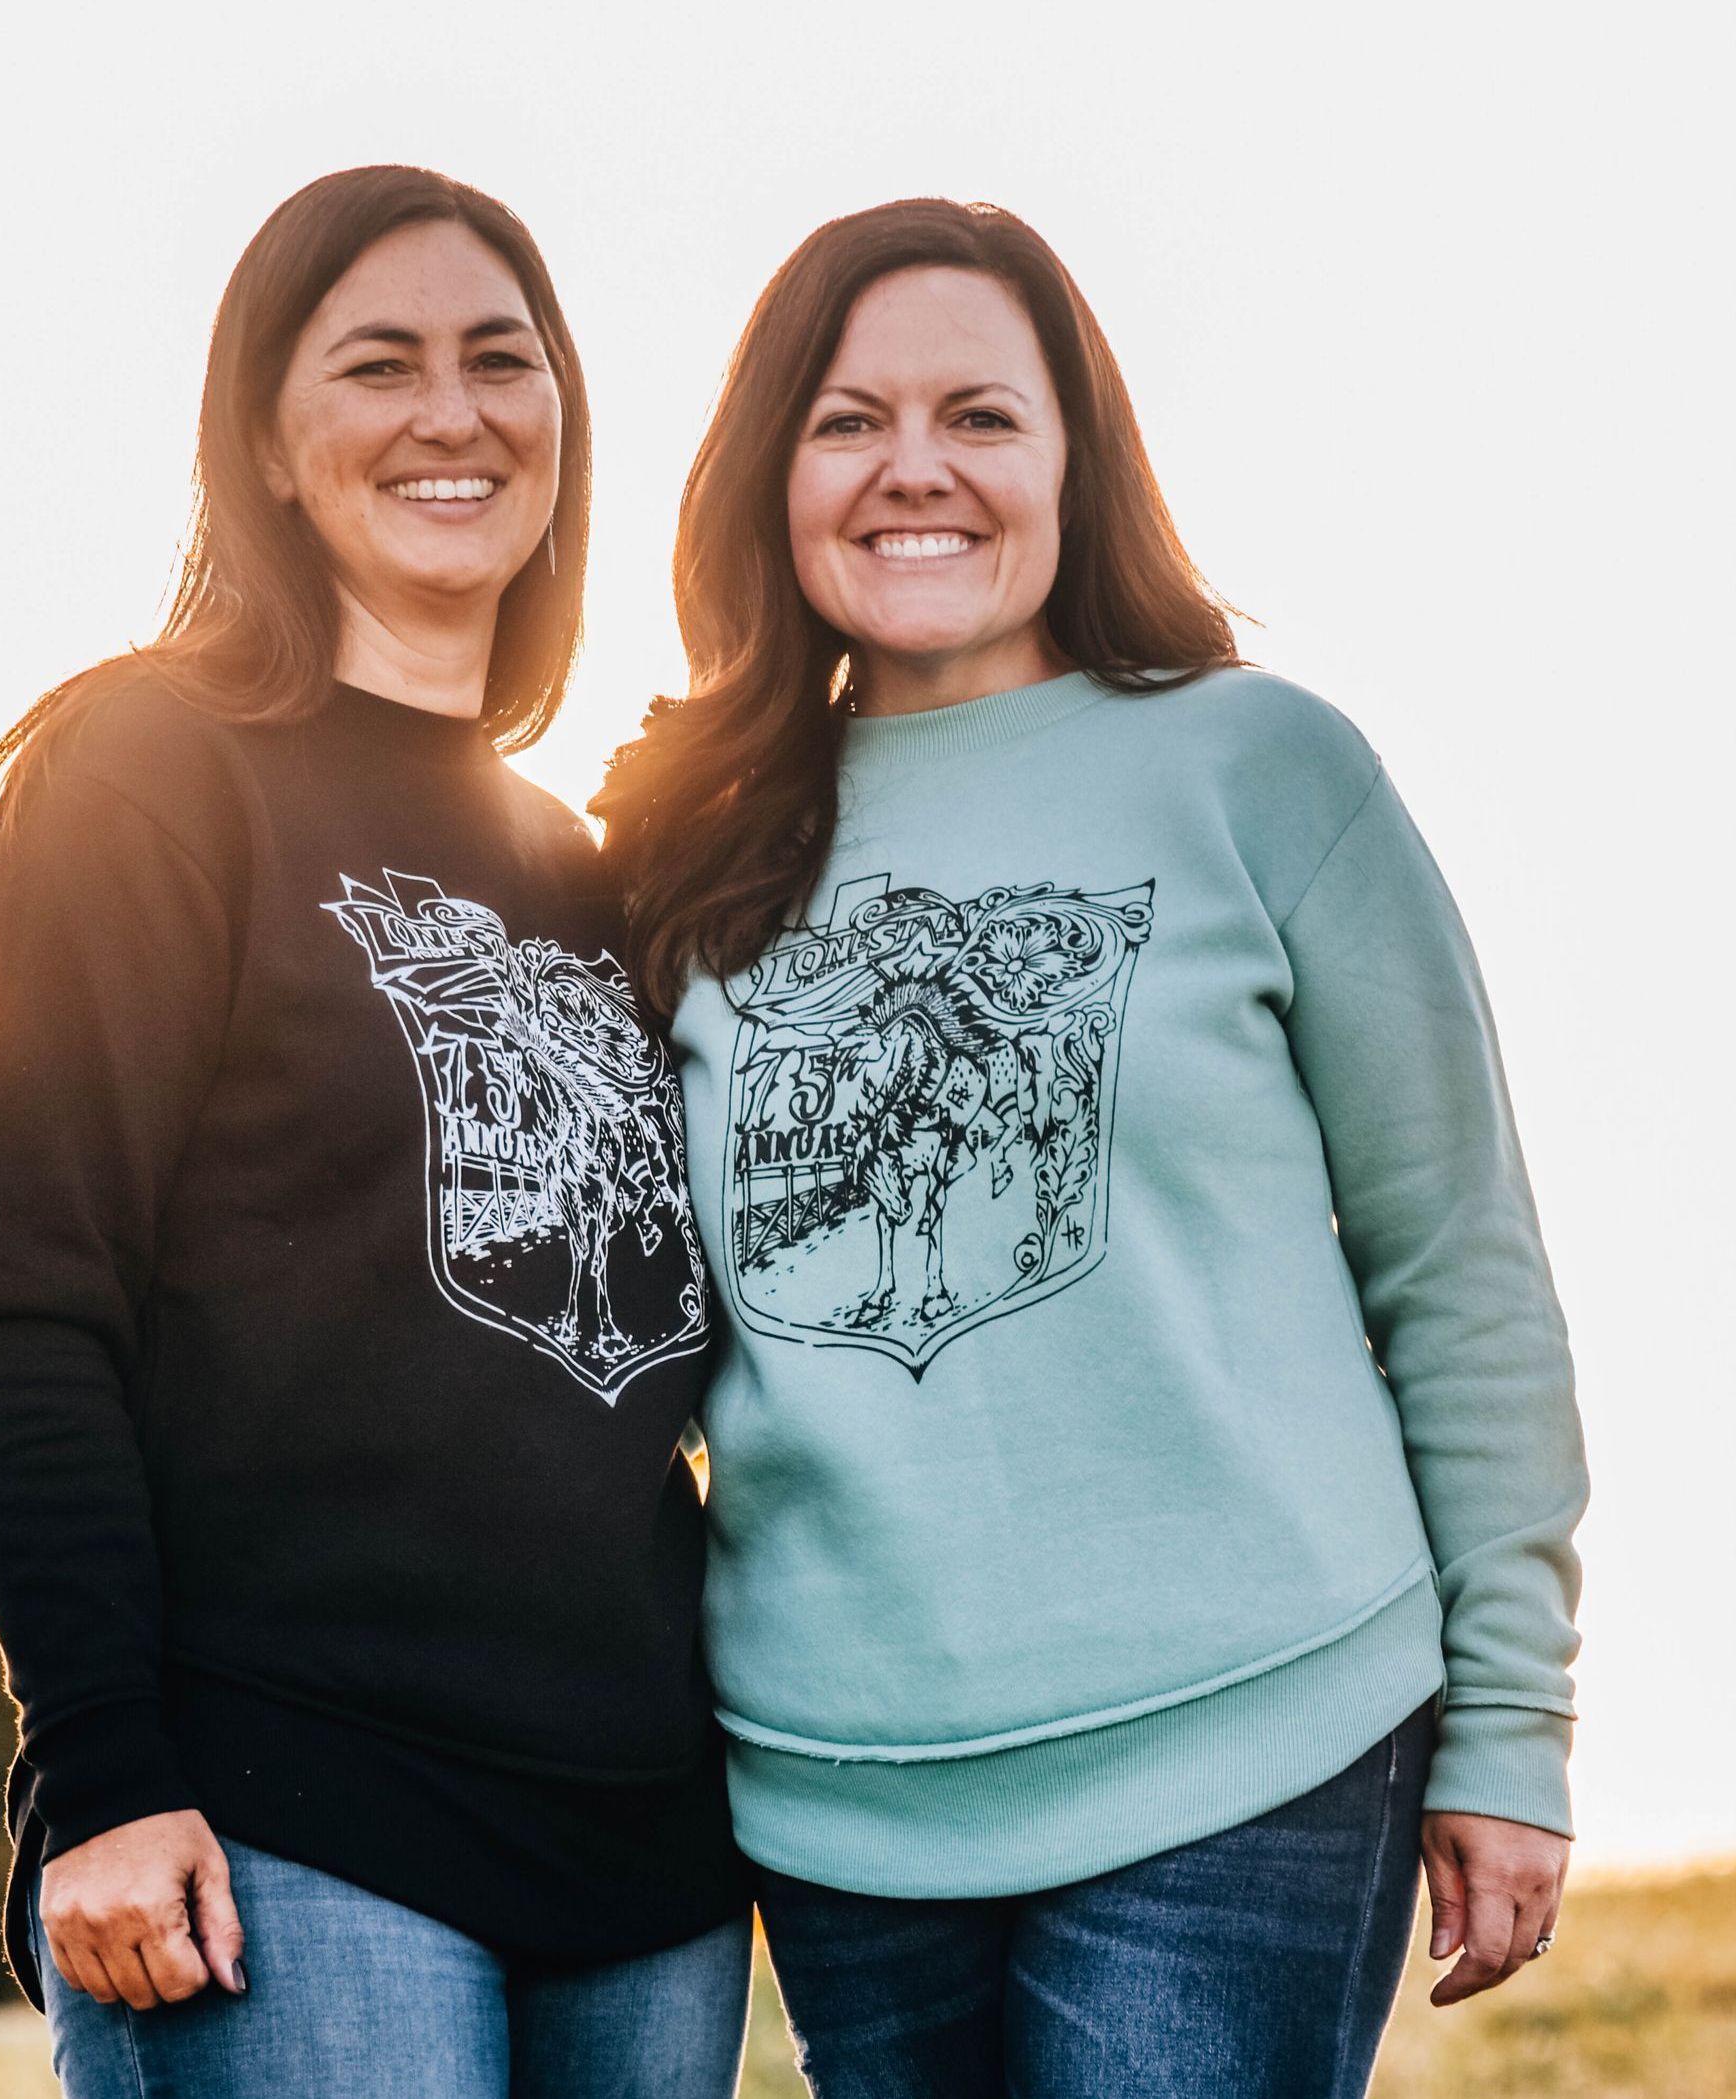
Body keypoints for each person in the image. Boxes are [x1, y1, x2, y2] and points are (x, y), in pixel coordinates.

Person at [594, 197, 1587, 2098]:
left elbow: (1459, 1268)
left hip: (1249, 1750)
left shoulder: (1260, 768)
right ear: (766, 475)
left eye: (981, 414)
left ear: (1075, 463)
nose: (916, 470)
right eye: (847, 419)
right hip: (840, 1804)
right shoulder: (677, 855)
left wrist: (1515, 1721)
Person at [0, 165, 750, 2099]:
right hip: (290, 1826)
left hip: (647, 1861)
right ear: (271, 448)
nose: (453, 414)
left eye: (501, 360)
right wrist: (104, 1772)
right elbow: (23, 1318)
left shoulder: (582, 867)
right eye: (379, 365)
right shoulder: (148, 773)